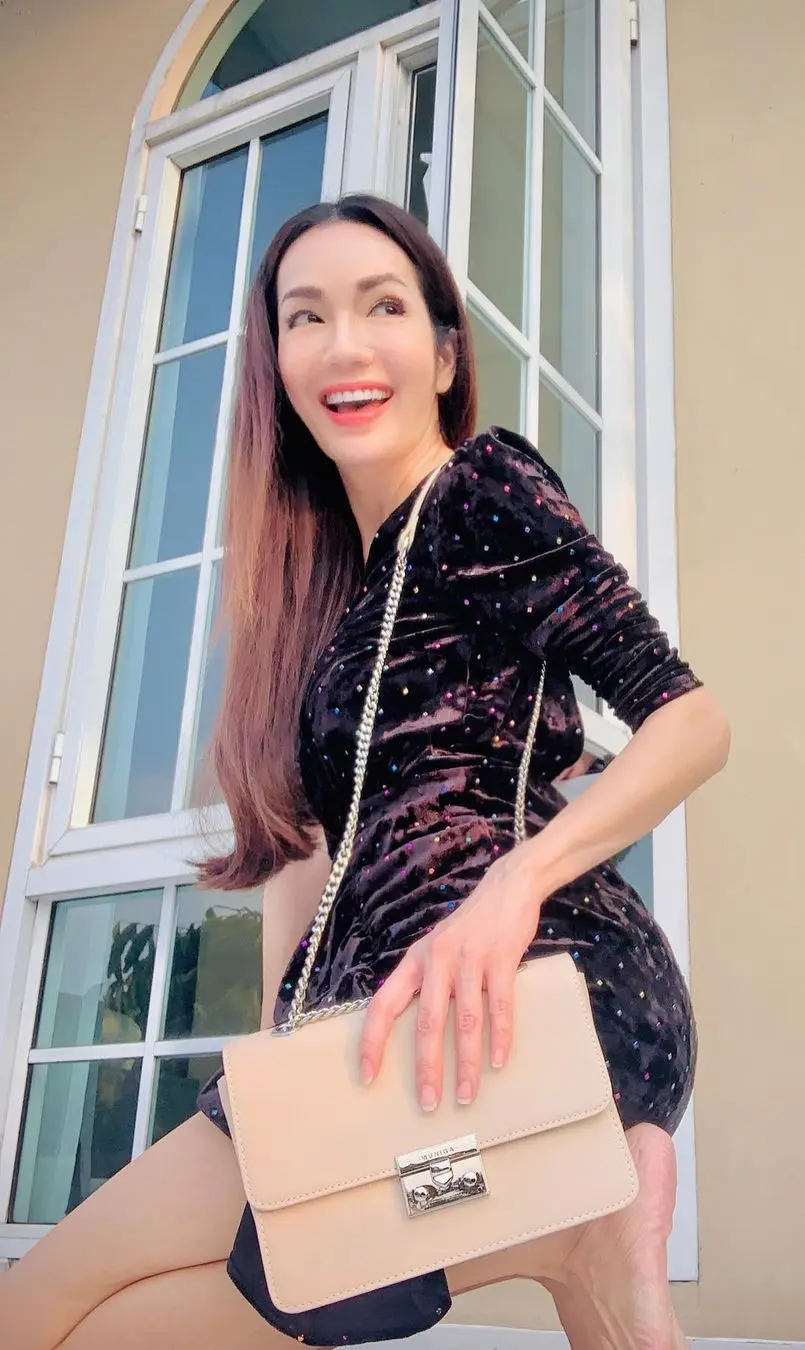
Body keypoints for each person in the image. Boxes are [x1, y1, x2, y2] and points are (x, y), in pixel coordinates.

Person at [0, 193, 730, 1350]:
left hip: (526, 997)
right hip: (393, 1037)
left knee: (38, 1307)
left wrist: (515, 884)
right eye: (306, 317)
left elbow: (691, 722)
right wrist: (273, 1065)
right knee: (139, 1317)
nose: (344, 344)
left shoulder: (480, 493)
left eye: (382, 306)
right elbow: (311, 853)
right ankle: (572, 1231)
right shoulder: (332, 603)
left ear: (442, 355)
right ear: (277, 369)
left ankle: (574, 1220)